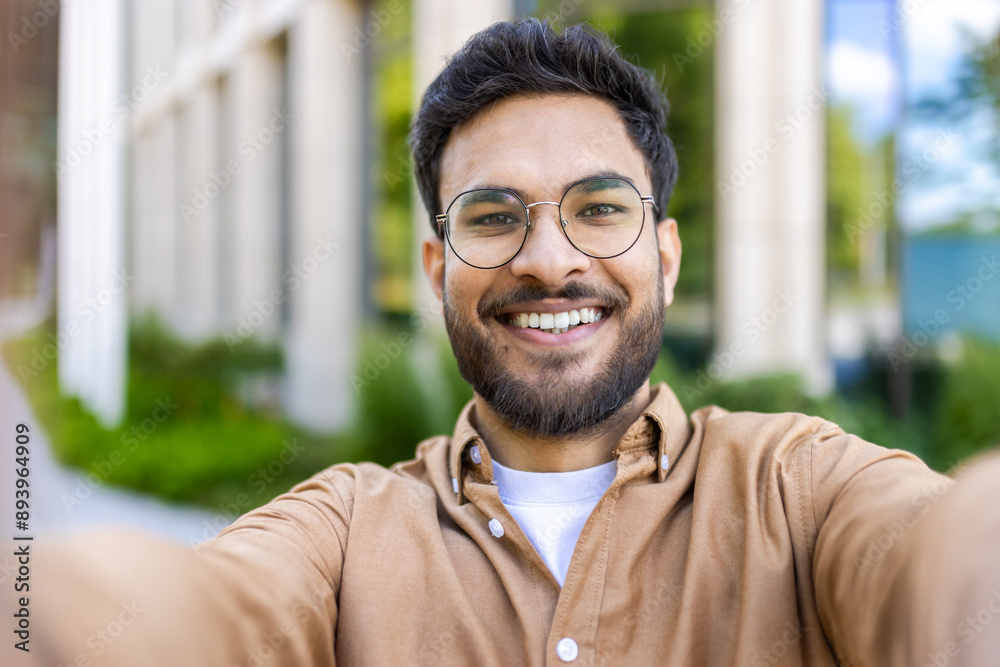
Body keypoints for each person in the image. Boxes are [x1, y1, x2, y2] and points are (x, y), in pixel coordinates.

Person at [14, 18, 1000, 667]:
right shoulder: (345, 530)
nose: (547, 257)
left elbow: (934, 555)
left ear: (663, 252)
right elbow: (183, 616)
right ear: (440, 268)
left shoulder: (801, 483)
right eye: (493, 217)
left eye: (598, 207)